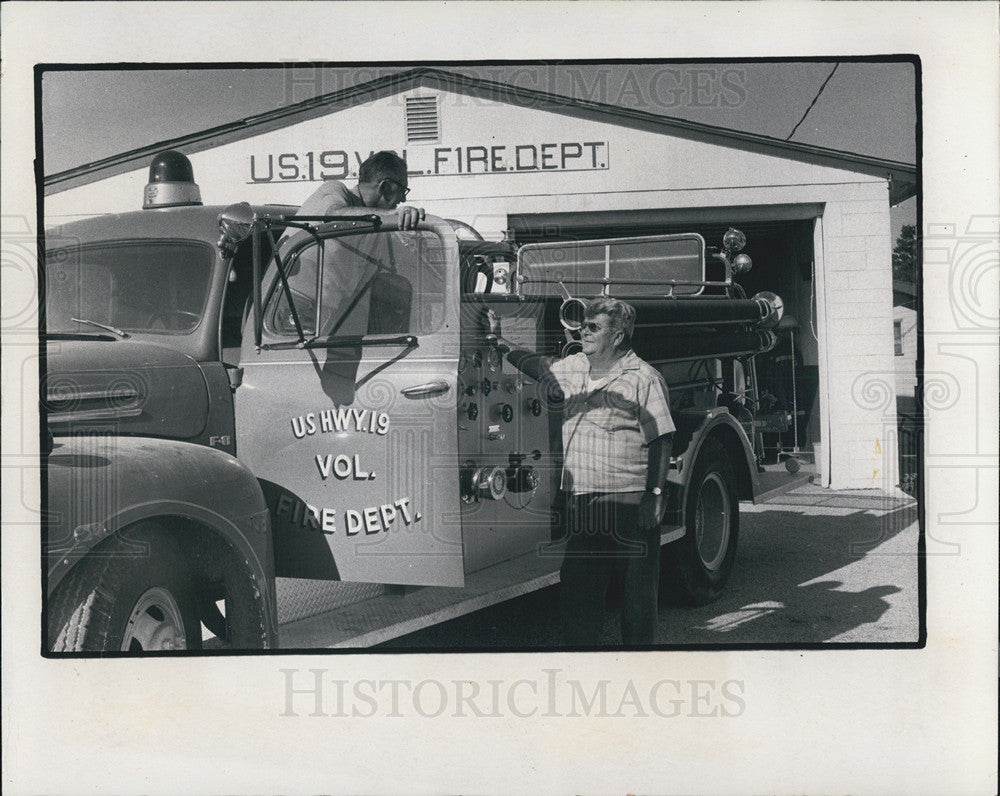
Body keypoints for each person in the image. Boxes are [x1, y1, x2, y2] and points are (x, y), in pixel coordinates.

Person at [499, 297, 675, 646]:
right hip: (585, 502)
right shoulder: (576, 367)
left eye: (593, 327)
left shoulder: (642, 378)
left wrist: (654, 496)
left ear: (618, 336)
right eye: (583, 324)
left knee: (636, 596)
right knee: (578, 590)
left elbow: (662, 438)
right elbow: (539, 366)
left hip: (628, 500)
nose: (583, 330)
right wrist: (501, 345)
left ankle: (641, 669)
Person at [291, 150, 425, 229]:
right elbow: (334, 215)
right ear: (385, 187)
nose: (403, 199)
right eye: (402, 191)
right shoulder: (335, 188)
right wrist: (392, 214)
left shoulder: (369, 226)